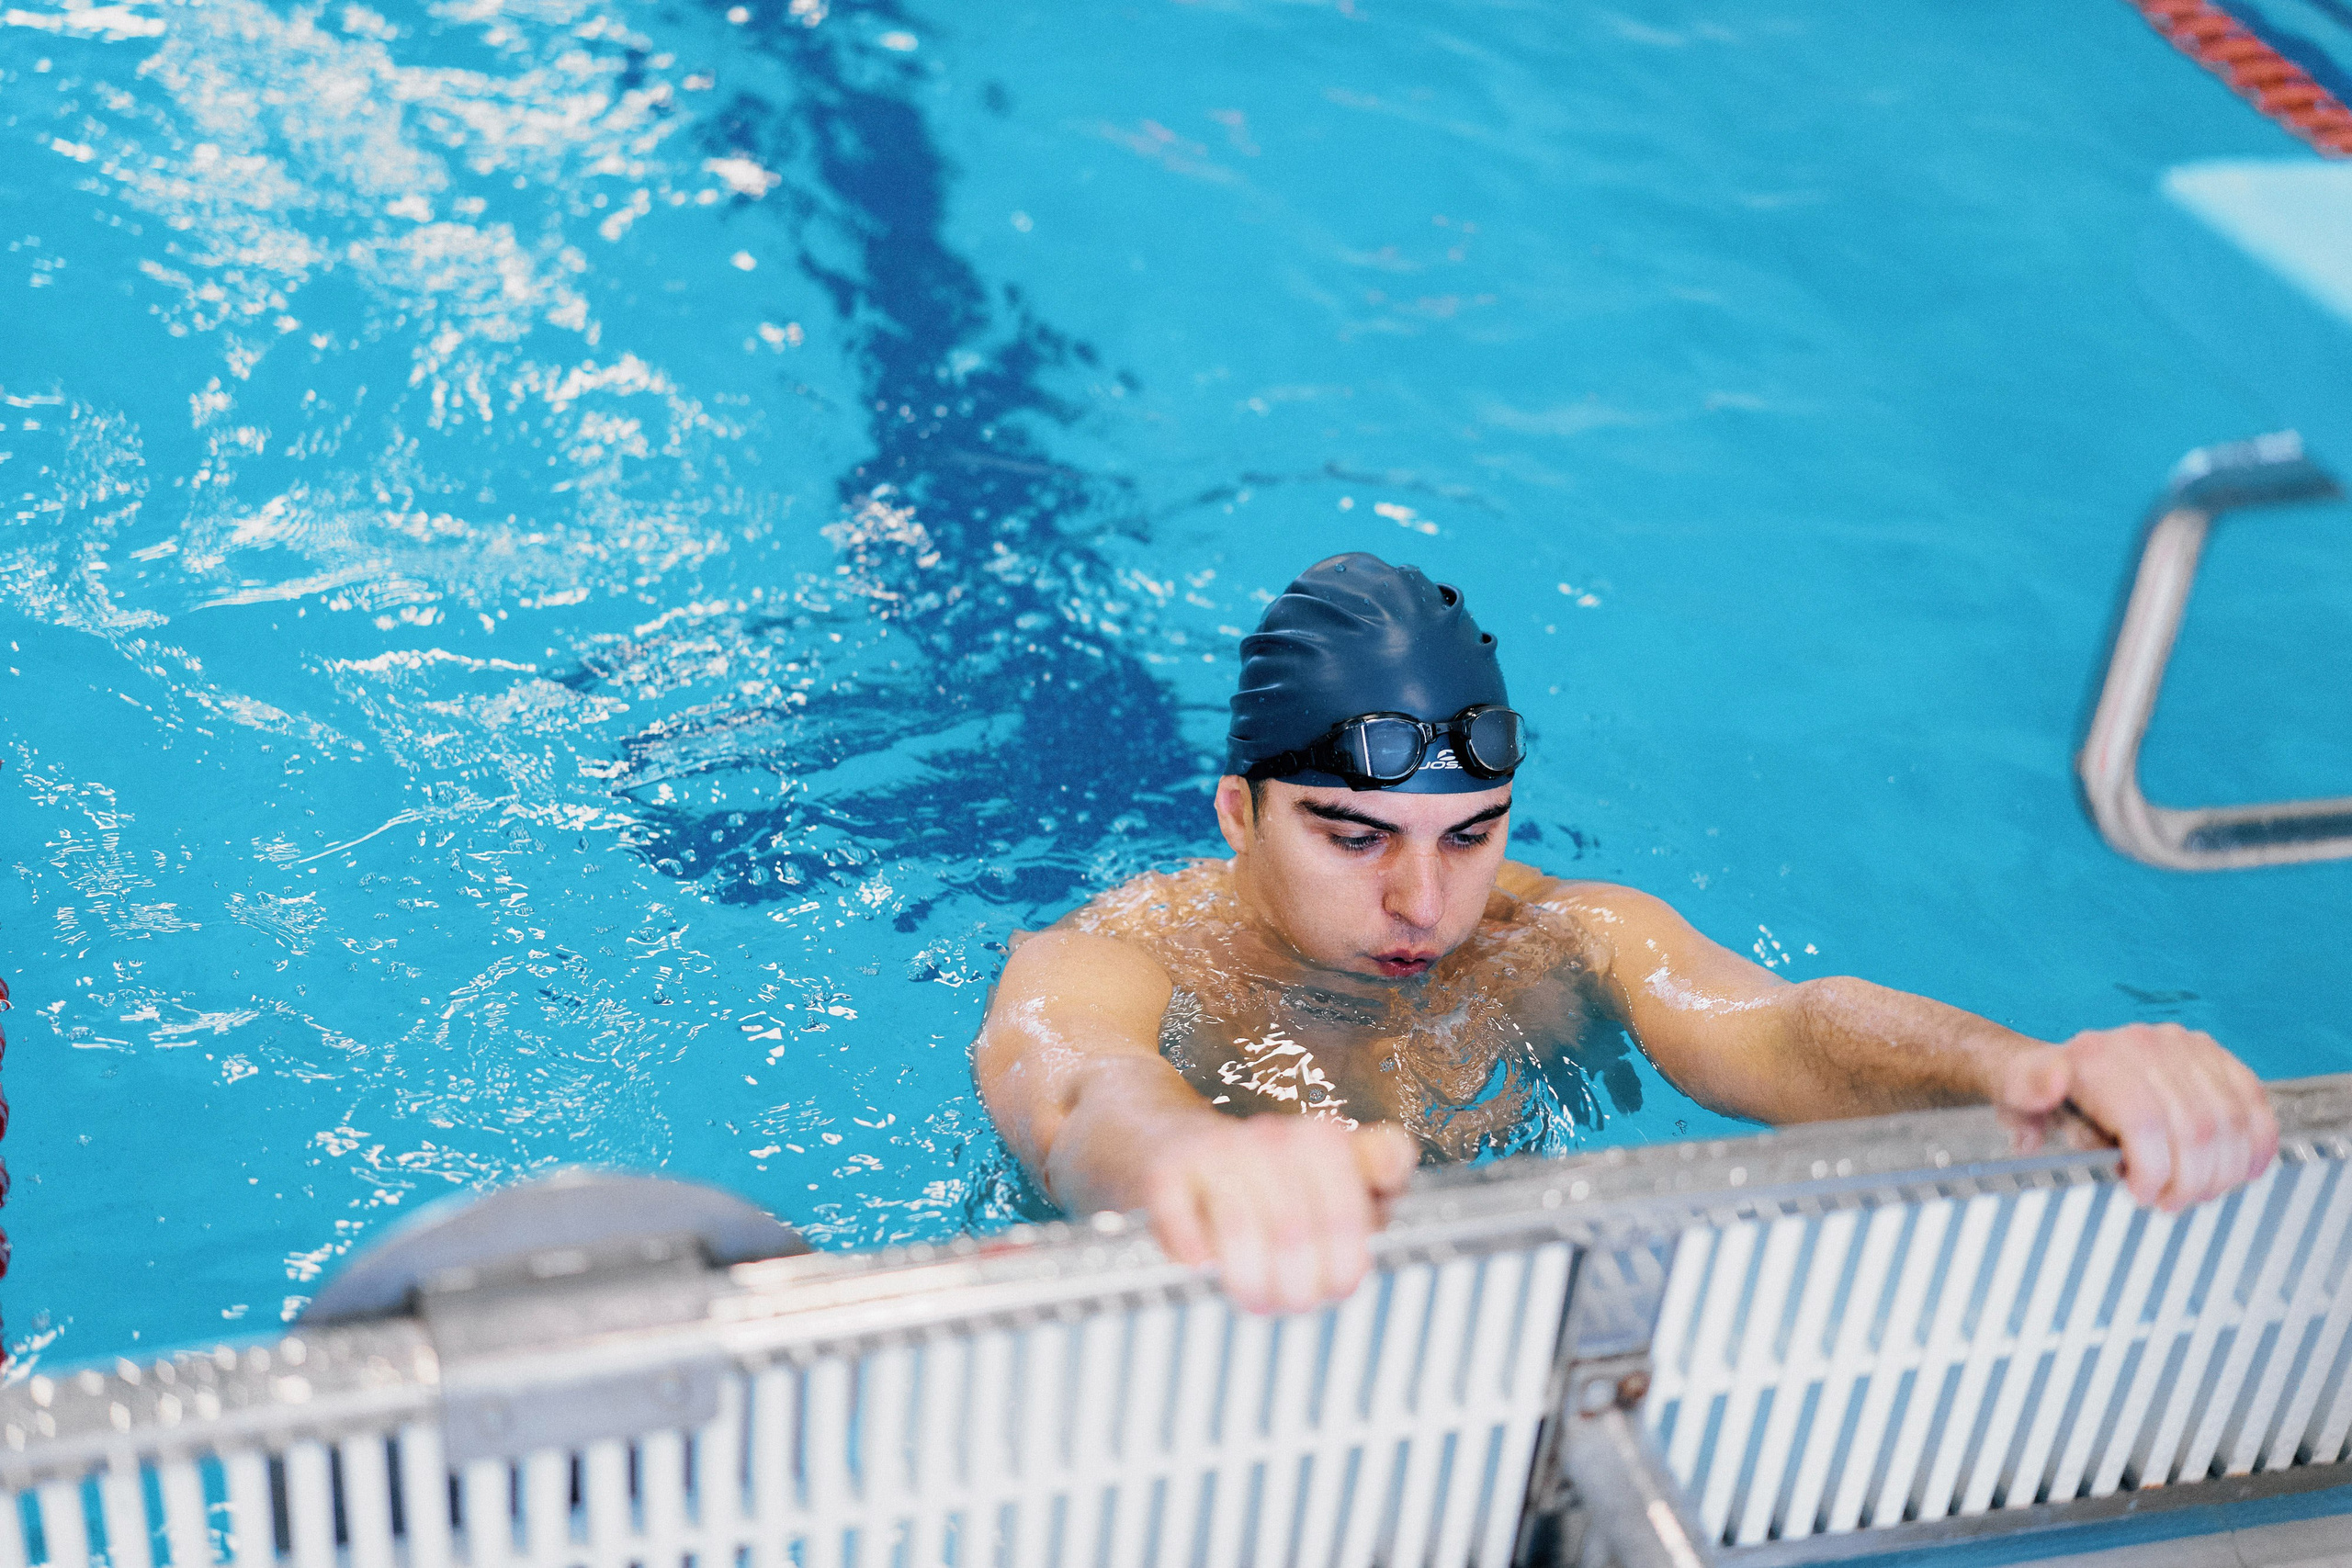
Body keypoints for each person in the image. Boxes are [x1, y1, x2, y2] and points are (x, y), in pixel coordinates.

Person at [971, 553, 2278, 1314]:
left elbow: (1775, 1026)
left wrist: (2022, 1070)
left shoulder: (1562, 937)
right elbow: (1081, 1086)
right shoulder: (1118, 953)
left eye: (1470, 835)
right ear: (1237, 816)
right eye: (1355, 837)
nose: (1427, 905)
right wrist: (1196, 1160)